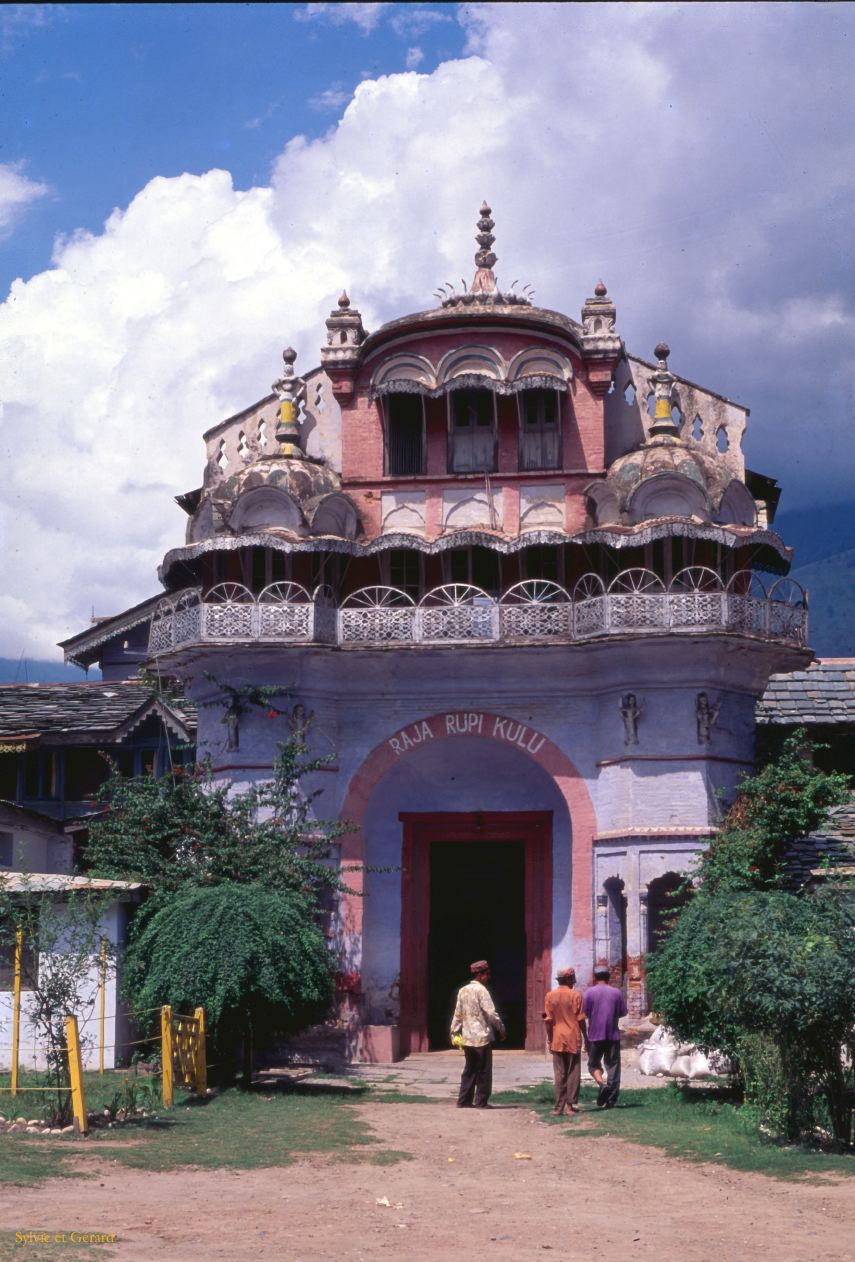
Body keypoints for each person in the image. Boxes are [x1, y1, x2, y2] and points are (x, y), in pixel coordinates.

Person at [450, 959, 506, 1108]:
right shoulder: (482, 990)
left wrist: (453, 1032)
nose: (489, 977)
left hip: (468, 1037)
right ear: (480, 975)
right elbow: (491, 1013)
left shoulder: (463, 990)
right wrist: (501, 1029)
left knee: (469, 1070)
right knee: (483, 1071)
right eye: (487, 974)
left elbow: (458, 1014)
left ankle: (464, 1101)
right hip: (482, 1037)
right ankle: (481, 1102)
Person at [543, 966, 587, 1115]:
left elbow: (548, 1021)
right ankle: (570, 1106)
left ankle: (558, 1107)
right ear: (569, 978)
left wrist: (550, 1039)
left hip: (557, 1038)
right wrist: (586, 1038)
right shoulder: (576, 996)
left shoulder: (550, 996)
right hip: (573, 1037)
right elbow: (581, 1020)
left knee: (559, 1073)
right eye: (573, 978)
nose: (574, 981)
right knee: (573, 1072)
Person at [583, 965, 627, 1109]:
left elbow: (586, 1013)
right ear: (608, 977)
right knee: (613, 1066)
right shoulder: (617, 993)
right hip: (612, 1035)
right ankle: (611, 1099)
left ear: (595, 977)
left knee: (593, 1064)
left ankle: (602, 1084)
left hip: (595, 1035)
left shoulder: (589, 993)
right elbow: (622, 1013)